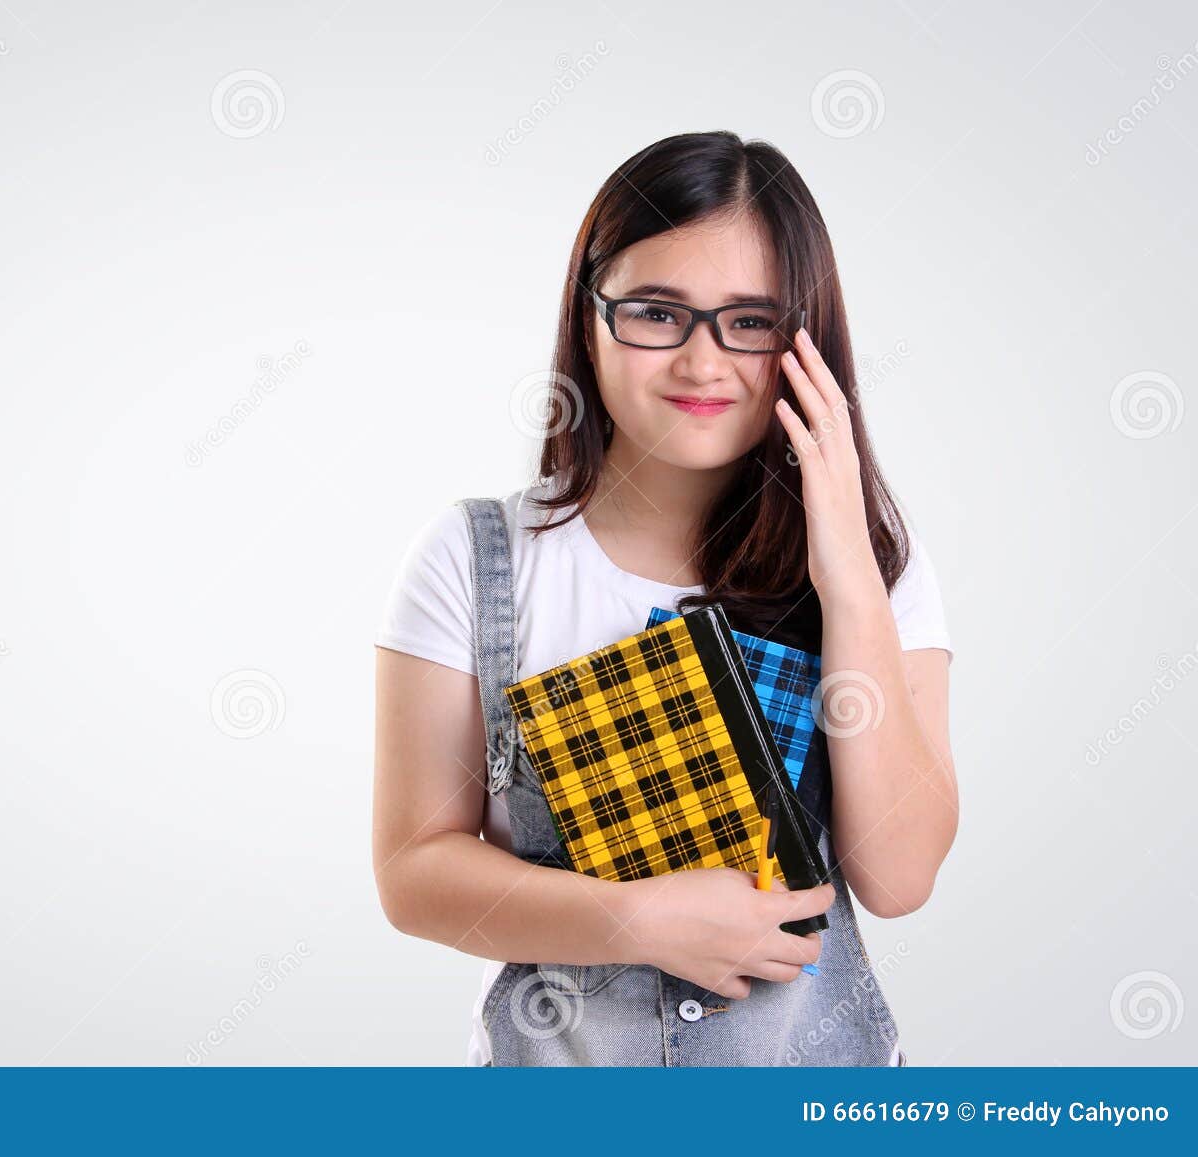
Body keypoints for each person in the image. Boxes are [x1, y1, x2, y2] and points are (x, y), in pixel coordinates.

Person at [371, 130, 957, 1066]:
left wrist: (847, 576)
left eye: (751, 320)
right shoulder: (473, 558)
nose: (701, 361)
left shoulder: (883, 563)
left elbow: (900, 875)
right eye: (655, 312)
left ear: (807, 338)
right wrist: (636, 918)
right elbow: (414, 873)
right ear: (589, 319)